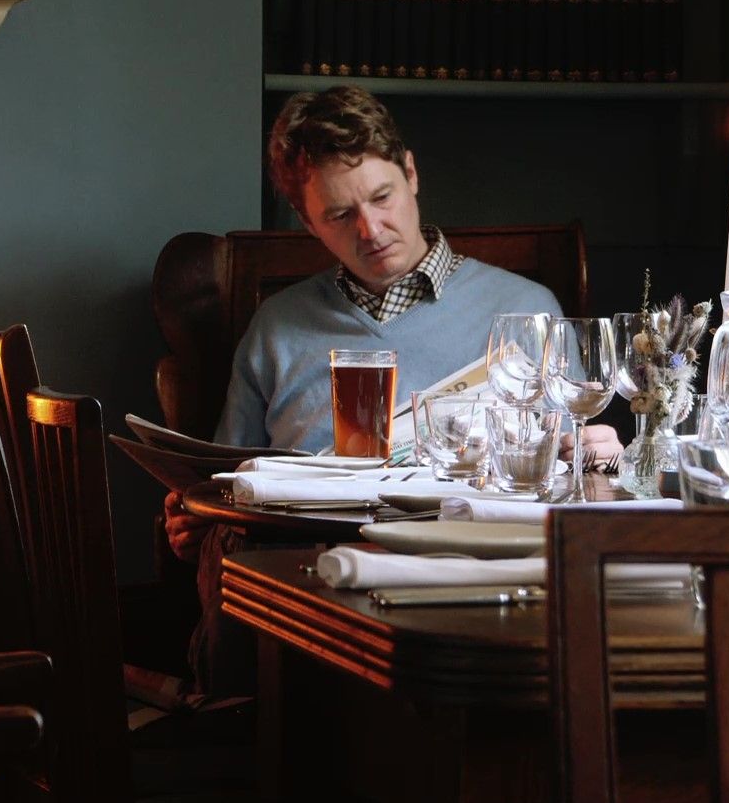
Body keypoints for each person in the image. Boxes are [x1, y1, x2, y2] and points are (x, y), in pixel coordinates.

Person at [163, 85, 621, 557]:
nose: (371, 230)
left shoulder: (527, 310)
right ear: (308, 222)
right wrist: (196, 515)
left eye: (382, 197)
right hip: (306, 570)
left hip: (469, 562)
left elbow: (575, 477)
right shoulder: (276, 328)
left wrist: (602, 461)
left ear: (411, 173)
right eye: (341, 214)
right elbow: (224, 487)